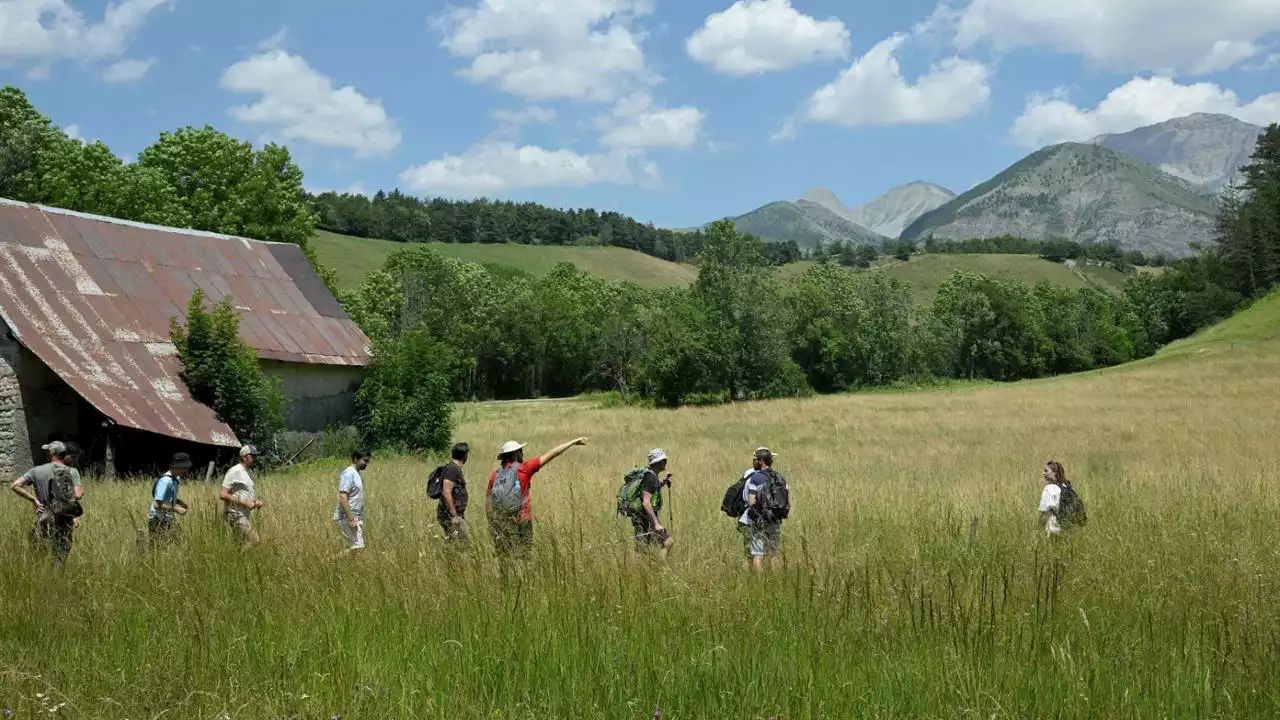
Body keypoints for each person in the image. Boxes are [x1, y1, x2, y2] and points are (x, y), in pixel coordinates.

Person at [485, 437, 589, 556]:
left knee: (505, 558)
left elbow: (488, 501)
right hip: (522, 519)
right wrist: (573, 442)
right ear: (515, 454)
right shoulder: (524, 469)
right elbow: (552, 454)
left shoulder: (495, 475)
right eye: (520, 451)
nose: (522, 453)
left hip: (501, 522)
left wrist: (492, 524)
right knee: (523, 556)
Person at [9, 441, 84, 566]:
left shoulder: (36, 471)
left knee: (39, 551)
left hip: (44, 516)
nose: (46, 453)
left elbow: (15, 485)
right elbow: (78, 495)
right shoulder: (72, 471)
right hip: (65, 519)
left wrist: (34, 500)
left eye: (47, 451)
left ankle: (41, 577)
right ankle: (56, 579)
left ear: (52, 453)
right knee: (60, 554)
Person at [738, 447, 787, 572]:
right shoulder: (780, 478)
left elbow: (751, 501)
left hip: (759, 521)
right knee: (774, 553)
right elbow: (787, 501)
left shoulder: (756, 478)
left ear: (761, 461)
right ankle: (776, 580)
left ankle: (758, 582)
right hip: (775, 520)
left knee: (757, 554)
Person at [631, 449, 674, 557]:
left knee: (640, 549)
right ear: (657, 462)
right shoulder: (650, 477)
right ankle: (660, 567)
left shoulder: (652, 476)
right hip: (645, 519)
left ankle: (641, 571)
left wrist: (663, 482)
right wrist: (656, 524)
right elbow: (646, 502)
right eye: (663, 460)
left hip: (644, 517)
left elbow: (652, 488)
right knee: (667, 541)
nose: (665, 462)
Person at [220, 445, 263, 548]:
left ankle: (235, 559)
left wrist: (255, 502)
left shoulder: (249, 472)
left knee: (239, 544)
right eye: (252, 455)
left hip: (244, 513)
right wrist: (245, 502)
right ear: (244, 457)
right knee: (255, 541)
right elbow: (223, 494)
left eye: (255, 455)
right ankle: (238, 558)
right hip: (235, 513)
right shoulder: (234, 471)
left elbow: (245, 494)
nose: (255, 458)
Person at [334, 449, 371, 555]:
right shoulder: (348, 473)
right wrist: (351, 519)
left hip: (355, 516)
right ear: (356, 459)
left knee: (356, 549)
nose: (367, 464)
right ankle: (326, 563)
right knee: (358, 549)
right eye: (365, 461)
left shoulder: (356, 474)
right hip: (347, 517)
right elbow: (343, 496)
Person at [148, 453, 192, 543]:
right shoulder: (165, 481)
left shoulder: (175, 479)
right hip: (157, 520)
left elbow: (168, 498)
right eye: (184, 468)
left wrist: (180, 502)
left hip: (166, 518)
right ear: (177, 467)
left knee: (179, 541)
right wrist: (176, 509)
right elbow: (157, 504)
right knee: (158, 548)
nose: (186, 470)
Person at [1039, 460, 1086, 535]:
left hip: (1052, 527)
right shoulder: (1066, 486)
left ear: (1054, 472)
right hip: (1065, 528)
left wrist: (1041, 527)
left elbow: (1045, 510)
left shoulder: (1049, 488)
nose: (1043, 473)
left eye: (1046, 471)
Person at [437, 443, 471, 544]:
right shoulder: (452, 469)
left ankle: (446, 558)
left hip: (454, 514)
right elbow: (446, 491)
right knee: (464, 544)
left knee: (453, 543)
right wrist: (454, 515)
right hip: (451, 515)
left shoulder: (454, 468)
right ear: (465, 456)